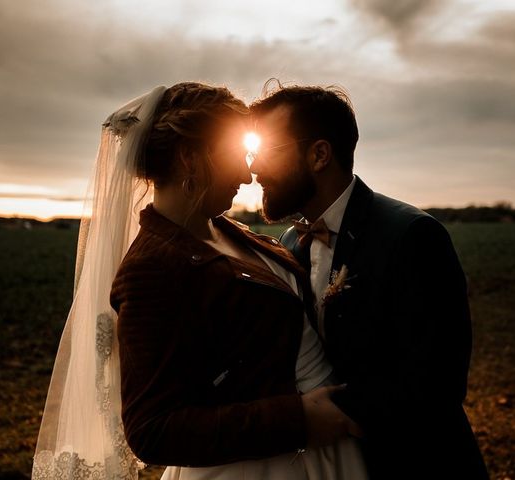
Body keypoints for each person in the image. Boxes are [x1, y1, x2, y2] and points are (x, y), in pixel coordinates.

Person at [33, 82, 368, 480]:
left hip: (319, 455)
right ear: (191, 158)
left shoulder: (226, 230)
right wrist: (299, 418)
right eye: (234, 155)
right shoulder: (152, 269)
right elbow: (152, 429)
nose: (247, 174)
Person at [249, 82, 490, 479]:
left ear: (319, 154)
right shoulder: (291, 242)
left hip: (415, 463)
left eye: (267, 152)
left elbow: (438, 383)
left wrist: (330, 414)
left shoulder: (412, 235)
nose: (255, 168)